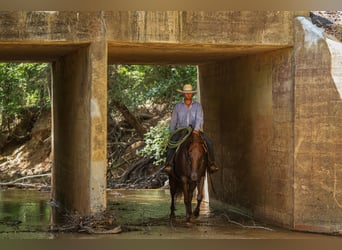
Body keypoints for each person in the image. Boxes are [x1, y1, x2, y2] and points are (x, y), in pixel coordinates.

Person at [163, 84, 219, 175]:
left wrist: (196, 130)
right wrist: (172, 133)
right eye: (186, 93)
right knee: (171, 144)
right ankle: (169, 164)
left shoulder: (197, 106)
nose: (188, 95)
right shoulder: (178, 107)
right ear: (183, 94)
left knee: (209, 142)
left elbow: (199, 118)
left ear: (192, 94)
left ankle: (211, 163)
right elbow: (173, 121)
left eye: (189, 93)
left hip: (195, 130)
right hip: (181, 130)